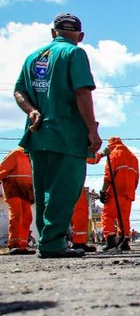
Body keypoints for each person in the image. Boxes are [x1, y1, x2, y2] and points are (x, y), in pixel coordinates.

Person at [13, 13, 102, 258]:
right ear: (80, 36)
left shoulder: (32, 57)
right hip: (67, 135)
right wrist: (92, 130)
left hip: (38, 135)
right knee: (66, 189)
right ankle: (52, 243)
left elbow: (19, 91)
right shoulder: (75, 53)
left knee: (43, 191)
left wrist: (32, 112)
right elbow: (82, 92)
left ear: (53, 32)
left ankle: (48, 240)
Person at [99, 137, 139, 250]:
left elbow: (108, 176)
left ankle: (110, 240)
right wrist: (131, 190)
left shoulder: (114, 154)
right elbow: (136, 178)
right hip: (129, 192)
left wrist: (103, 191)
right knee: (124, 218)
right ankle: (124, 242)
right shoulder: (133, 157)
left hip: (116, 191)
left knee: (108, 215)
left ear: (110, 145)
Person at [0, 147, 35, 255]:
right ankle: (14, 245)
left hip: (25, 192)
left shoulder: (32, 157)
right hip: (13, 190)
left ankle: (22, 245)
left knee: (27, 217)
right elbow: (2, 169)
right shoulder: (15, 153)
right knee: (17, 215)